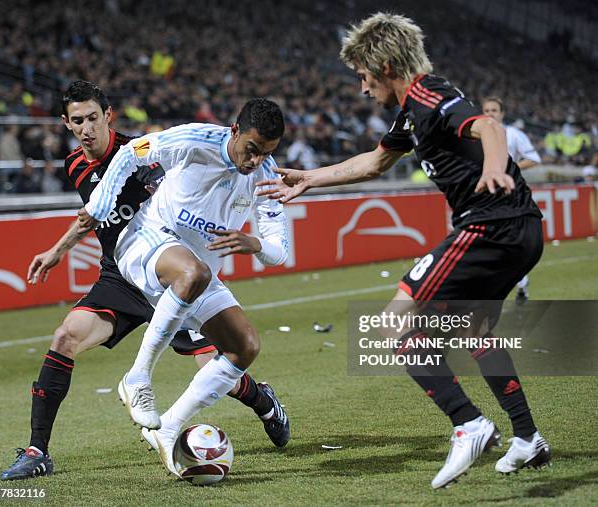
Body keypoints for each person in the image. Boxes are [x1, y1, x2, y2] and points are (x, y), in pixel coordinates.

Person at [258, 13, 551, 489]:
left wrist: (495, 168)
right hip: (519, 230)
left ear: (387, 65)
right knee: (476, 330)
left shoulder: (430, 96)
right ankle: (527, 437)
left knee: (395, 323)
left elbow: (490, 130)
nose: (361, 87)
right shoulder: (410, 111)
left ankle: (469, 424)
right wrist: (310, 178)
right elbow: (374, 162)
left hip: (490, 227)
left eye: (363, 76)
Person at [0, 82, 288, 481]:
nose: (87, 129)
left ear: (108, 116)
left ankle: (264, 404)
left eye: (93, 119)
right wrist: (58, 250)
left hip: (177, 263)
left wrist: (251, 239)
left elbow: (163, 180)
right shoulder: (74, 165)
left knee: (229, 355)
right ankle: (37, 450)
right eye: (78, 121)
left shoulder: (148, 153)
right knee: (66, 336)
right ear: (66, 123)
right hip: (126, 273)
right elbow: (90, 216)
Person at [77, 97, 289, 476]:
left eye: (267, 154)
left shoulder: (265, 176)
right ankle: (137, 377)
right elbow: (131, 153)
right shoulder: (196, 139)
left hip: (195, 273)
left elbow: (279, 250)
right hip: (146, 241)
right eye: (252, 149)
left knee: (245, 347)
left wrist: (254, 244)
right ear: (235, 131)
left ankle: (169, 427)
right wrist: (100, 202)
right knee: (193, 273)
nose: (256, 161)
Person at [482, 96, 542, 304]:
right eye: (486, 110)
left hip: (509, 195)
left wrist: (509, 169)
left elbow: (534, 158)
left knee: (507, 242)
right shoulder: (475, 136)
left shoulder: (514, 135)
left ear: (502, 114)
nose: (490, 114)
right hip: (483, 196)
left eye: (494, 110)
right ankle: (514, 283)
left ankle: (518, 281)